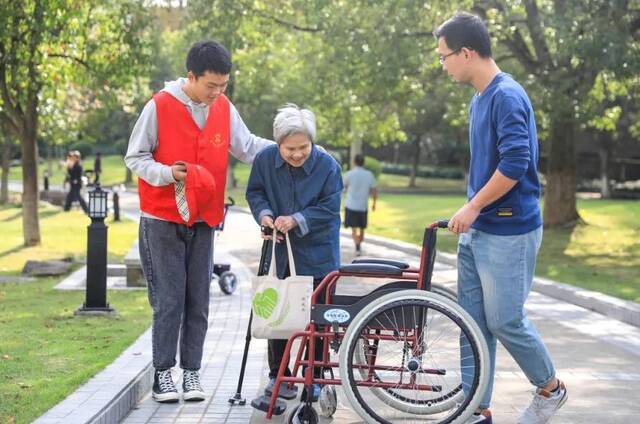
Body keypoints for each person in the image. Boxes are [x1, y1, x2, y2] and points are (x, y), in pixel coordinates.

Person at [434, 13, 567, 424]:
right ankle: (476, 410)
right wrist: (472, 210)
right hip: (479, 232)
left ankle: (550, 389)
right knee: (472, 325)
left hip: (510, 230)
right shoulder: (480, 99)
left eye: (444, 56)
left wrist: (473, 206)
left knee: (505, 319)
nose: (442, 64)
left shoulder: (507, 96)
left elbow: (515, 163)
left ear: (467, 53)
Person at [124, 40, 272, 403]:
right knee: (169, 299)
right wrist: (166, 173)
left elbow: (248, 146)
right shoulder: (159, 106)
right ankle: (163, 374)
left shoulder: (222, 106)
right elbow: (135, 157)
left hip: (204, 218)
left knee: (198, 301)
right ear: (191, 77)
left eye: (223, 86)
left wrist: (288, 146)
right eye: (211, 86)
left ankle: (191, 373)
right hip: (161, 218)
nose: (218, 93)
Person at [246, 104, 342, 404]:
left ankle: (313, 377)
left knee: (317, 319)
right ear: (278, 144)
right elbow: (256, 192)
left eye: (303, 147)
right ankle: (279, 377)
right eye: (290, 149)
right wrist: (264, 215)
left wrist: (297, 219)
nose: (297, 154)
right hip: (280, 254)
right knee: (278, 314)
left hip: (318, 254)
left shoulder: (327, 166)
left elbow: (329, 207)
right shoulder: (264, 160)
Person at [343, 153, 377, 255]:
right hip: (363, 206)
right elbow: (374, 190)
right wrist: (374, 203)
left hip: (351, 205)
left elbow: (343, 187)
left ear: (354, 162)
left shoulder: (349, 174)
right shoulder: (369, 175)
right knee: (362, 228)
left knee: (353, 229)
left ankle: (357, 246)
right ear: (363, 162)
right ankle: (359, 245)